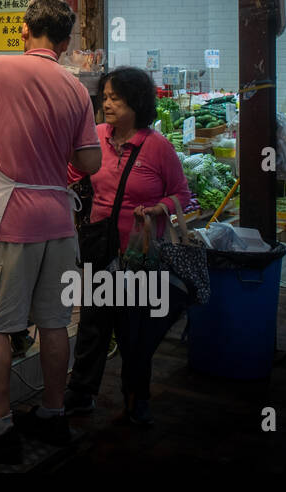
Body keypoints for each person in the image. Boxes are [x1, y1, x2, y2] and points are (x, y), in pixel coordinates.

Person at [0, 0, 101, 464]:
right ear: (66, 44)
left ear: (25, 30)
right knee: (53, 323)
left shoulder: (1, 68)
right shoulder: (74, 87)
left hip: (11, 218)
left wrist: (1, 129)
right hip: (59, 222)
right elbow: (90, 161)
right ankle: (53, 415)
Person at [65, 67, 192, 428]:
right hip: (99, 249)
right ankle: (81, 394)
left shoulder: (157, 147)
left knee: (134, 332)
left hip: (139, 256)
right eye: (104, 97)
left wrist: (159, 208)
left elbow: (182, 195)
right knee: (92, 327)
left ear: (136, 102)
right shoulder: (96, 137)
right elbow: (74, 174)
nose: (106, 104)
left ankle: (137, 398)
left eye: (115, 98)